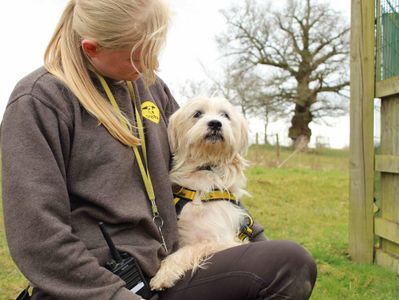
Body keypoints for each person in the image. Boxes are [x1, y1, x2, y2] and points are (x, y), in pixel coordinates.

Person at [1, 0, 317, 299]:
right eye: (139, 54)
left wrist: (254, 237)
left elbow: (203, 170)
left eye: (154, 50)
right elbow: (39, 239)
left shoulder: (149, 86)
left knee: (288, 262)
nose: (153, 63)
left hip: (164, 270)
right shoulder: (39, 102)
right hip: (95, 288)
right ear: (92, 48)